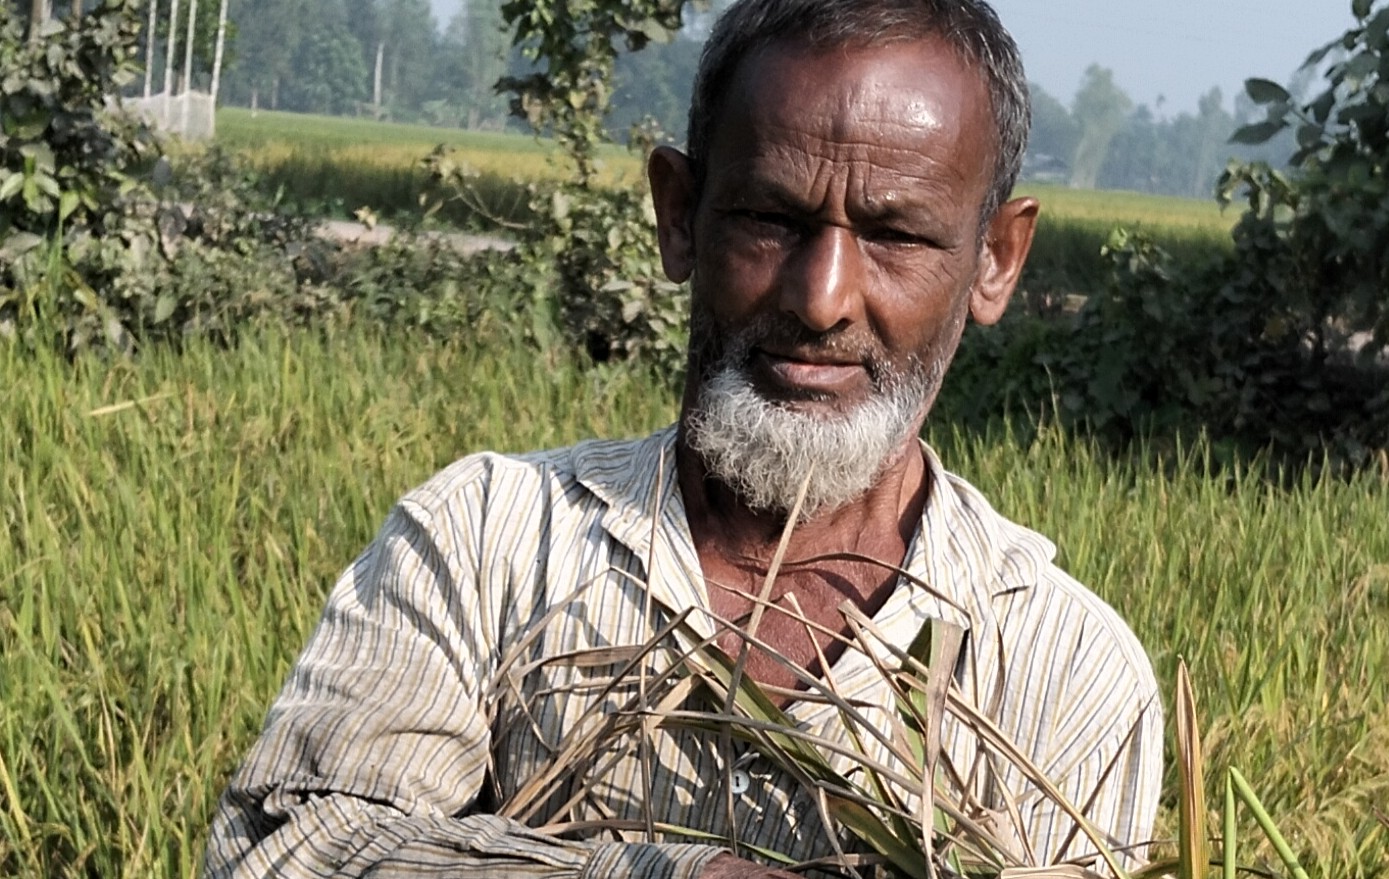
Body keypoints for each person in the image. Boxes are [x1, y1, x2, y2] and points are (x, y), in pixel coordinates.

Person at [204, 0, 1163, 876]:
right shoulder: (484, 541)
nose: (819, 299)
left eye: (895, 237)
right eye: (769, 220)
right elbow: (286, 850)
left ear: (994, 261)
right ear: (678, 217)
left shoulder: (1061, 672)